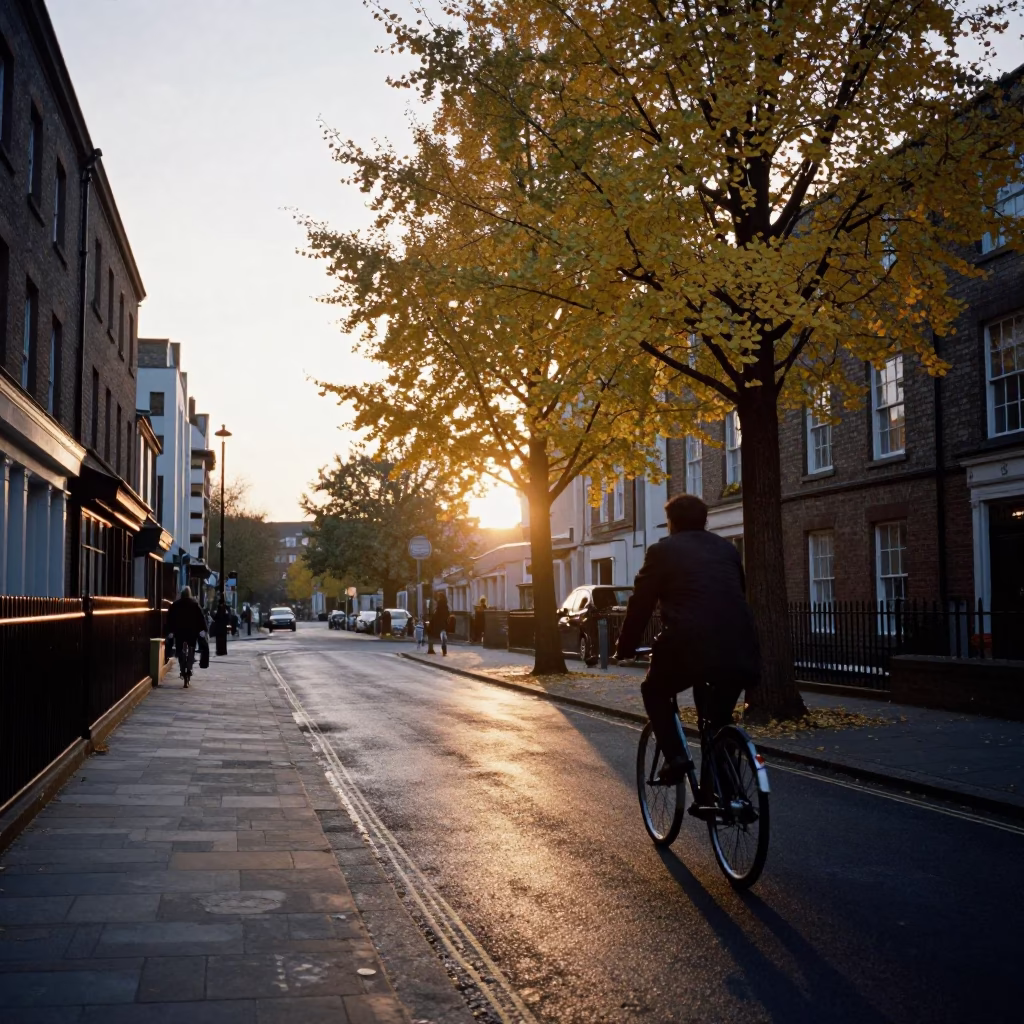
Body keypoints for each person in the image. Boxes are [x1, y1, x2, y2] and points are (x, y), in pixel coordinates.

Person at [614, 494, 760, 786]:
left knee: (653, 691)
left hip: (688, 646)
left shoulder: (662, 551)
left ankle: (677, 757)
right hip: (741, 647)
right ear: (704, 521)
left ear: (671, 523)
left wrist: (625, 646)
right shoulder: (727, 550)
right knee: (718, 721)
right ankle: (725, 791)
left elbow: (641, 604)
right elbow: (738, 595)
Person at [165, 586, 209, 687]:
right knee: (192, 648)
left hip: (179, 632)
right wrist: (203, 629)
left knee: (180, 649)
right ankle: (189, 668)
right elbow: (201, 618)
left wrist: (170, 631)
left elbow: (170, 619)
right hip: (191, 632)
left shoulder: (175, 605)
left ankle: (182, 669)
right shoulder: (195, 604)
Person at [427, 591, 450, 656]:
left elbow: (436, 614)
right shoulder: (446, 605)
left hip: (437, 623)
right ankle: (444, 649)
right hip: (444, 623)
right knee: (443, 636)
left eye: (438, 596)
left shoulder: (439, 604)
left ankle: (430, 649)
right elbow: (448, 614)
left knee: (430, 634)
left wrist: (432, 619)